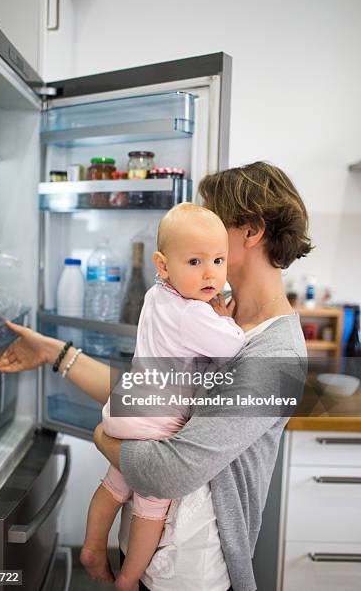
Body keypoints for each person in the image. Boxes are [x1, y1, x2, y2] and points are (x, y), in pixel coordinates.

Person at [0, 161, 311, 591]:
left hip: (191, 569)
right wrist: (57, 352)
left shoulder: (278, 356)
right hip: (142, 543)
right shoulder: (211, 312)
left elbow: (169, 473)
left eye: (213, 218)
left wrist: (106, 437)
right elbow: (153, 394)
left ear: (251, 231)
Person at [80, 203, 245, 591]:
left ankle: (90, 547)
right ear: (163, 263)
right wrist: (224, 319)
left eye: (218, 260)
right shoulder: (195, 313)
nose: (210, 273)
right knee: (152, 505)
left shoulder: (157, 296)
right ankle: (129, 578)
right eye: (195, 261)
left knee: (115, 484)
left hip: (128, 403)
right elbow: (234, 346)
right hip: (158, 417)